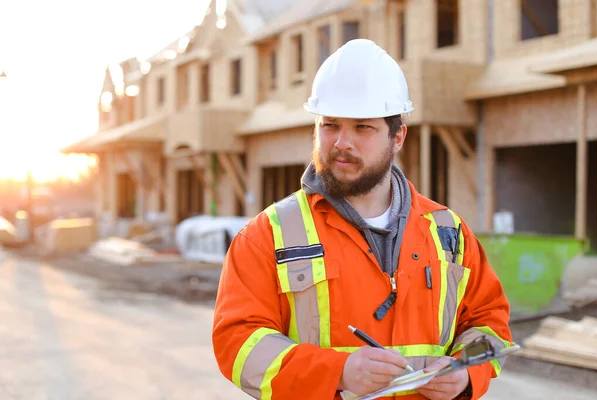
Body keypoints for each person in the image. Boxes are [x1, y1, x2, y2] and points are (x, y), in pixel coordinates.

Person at [212, 39, 512, 400]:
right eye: (330, 125)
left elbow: (489, 324)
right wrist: (337, 373)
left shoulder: (449, 232)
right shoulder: (267, 235)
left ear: (397, 136)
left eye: (362, 128)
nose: (342, 142)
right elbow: (239, 344)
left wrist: (466, 372)